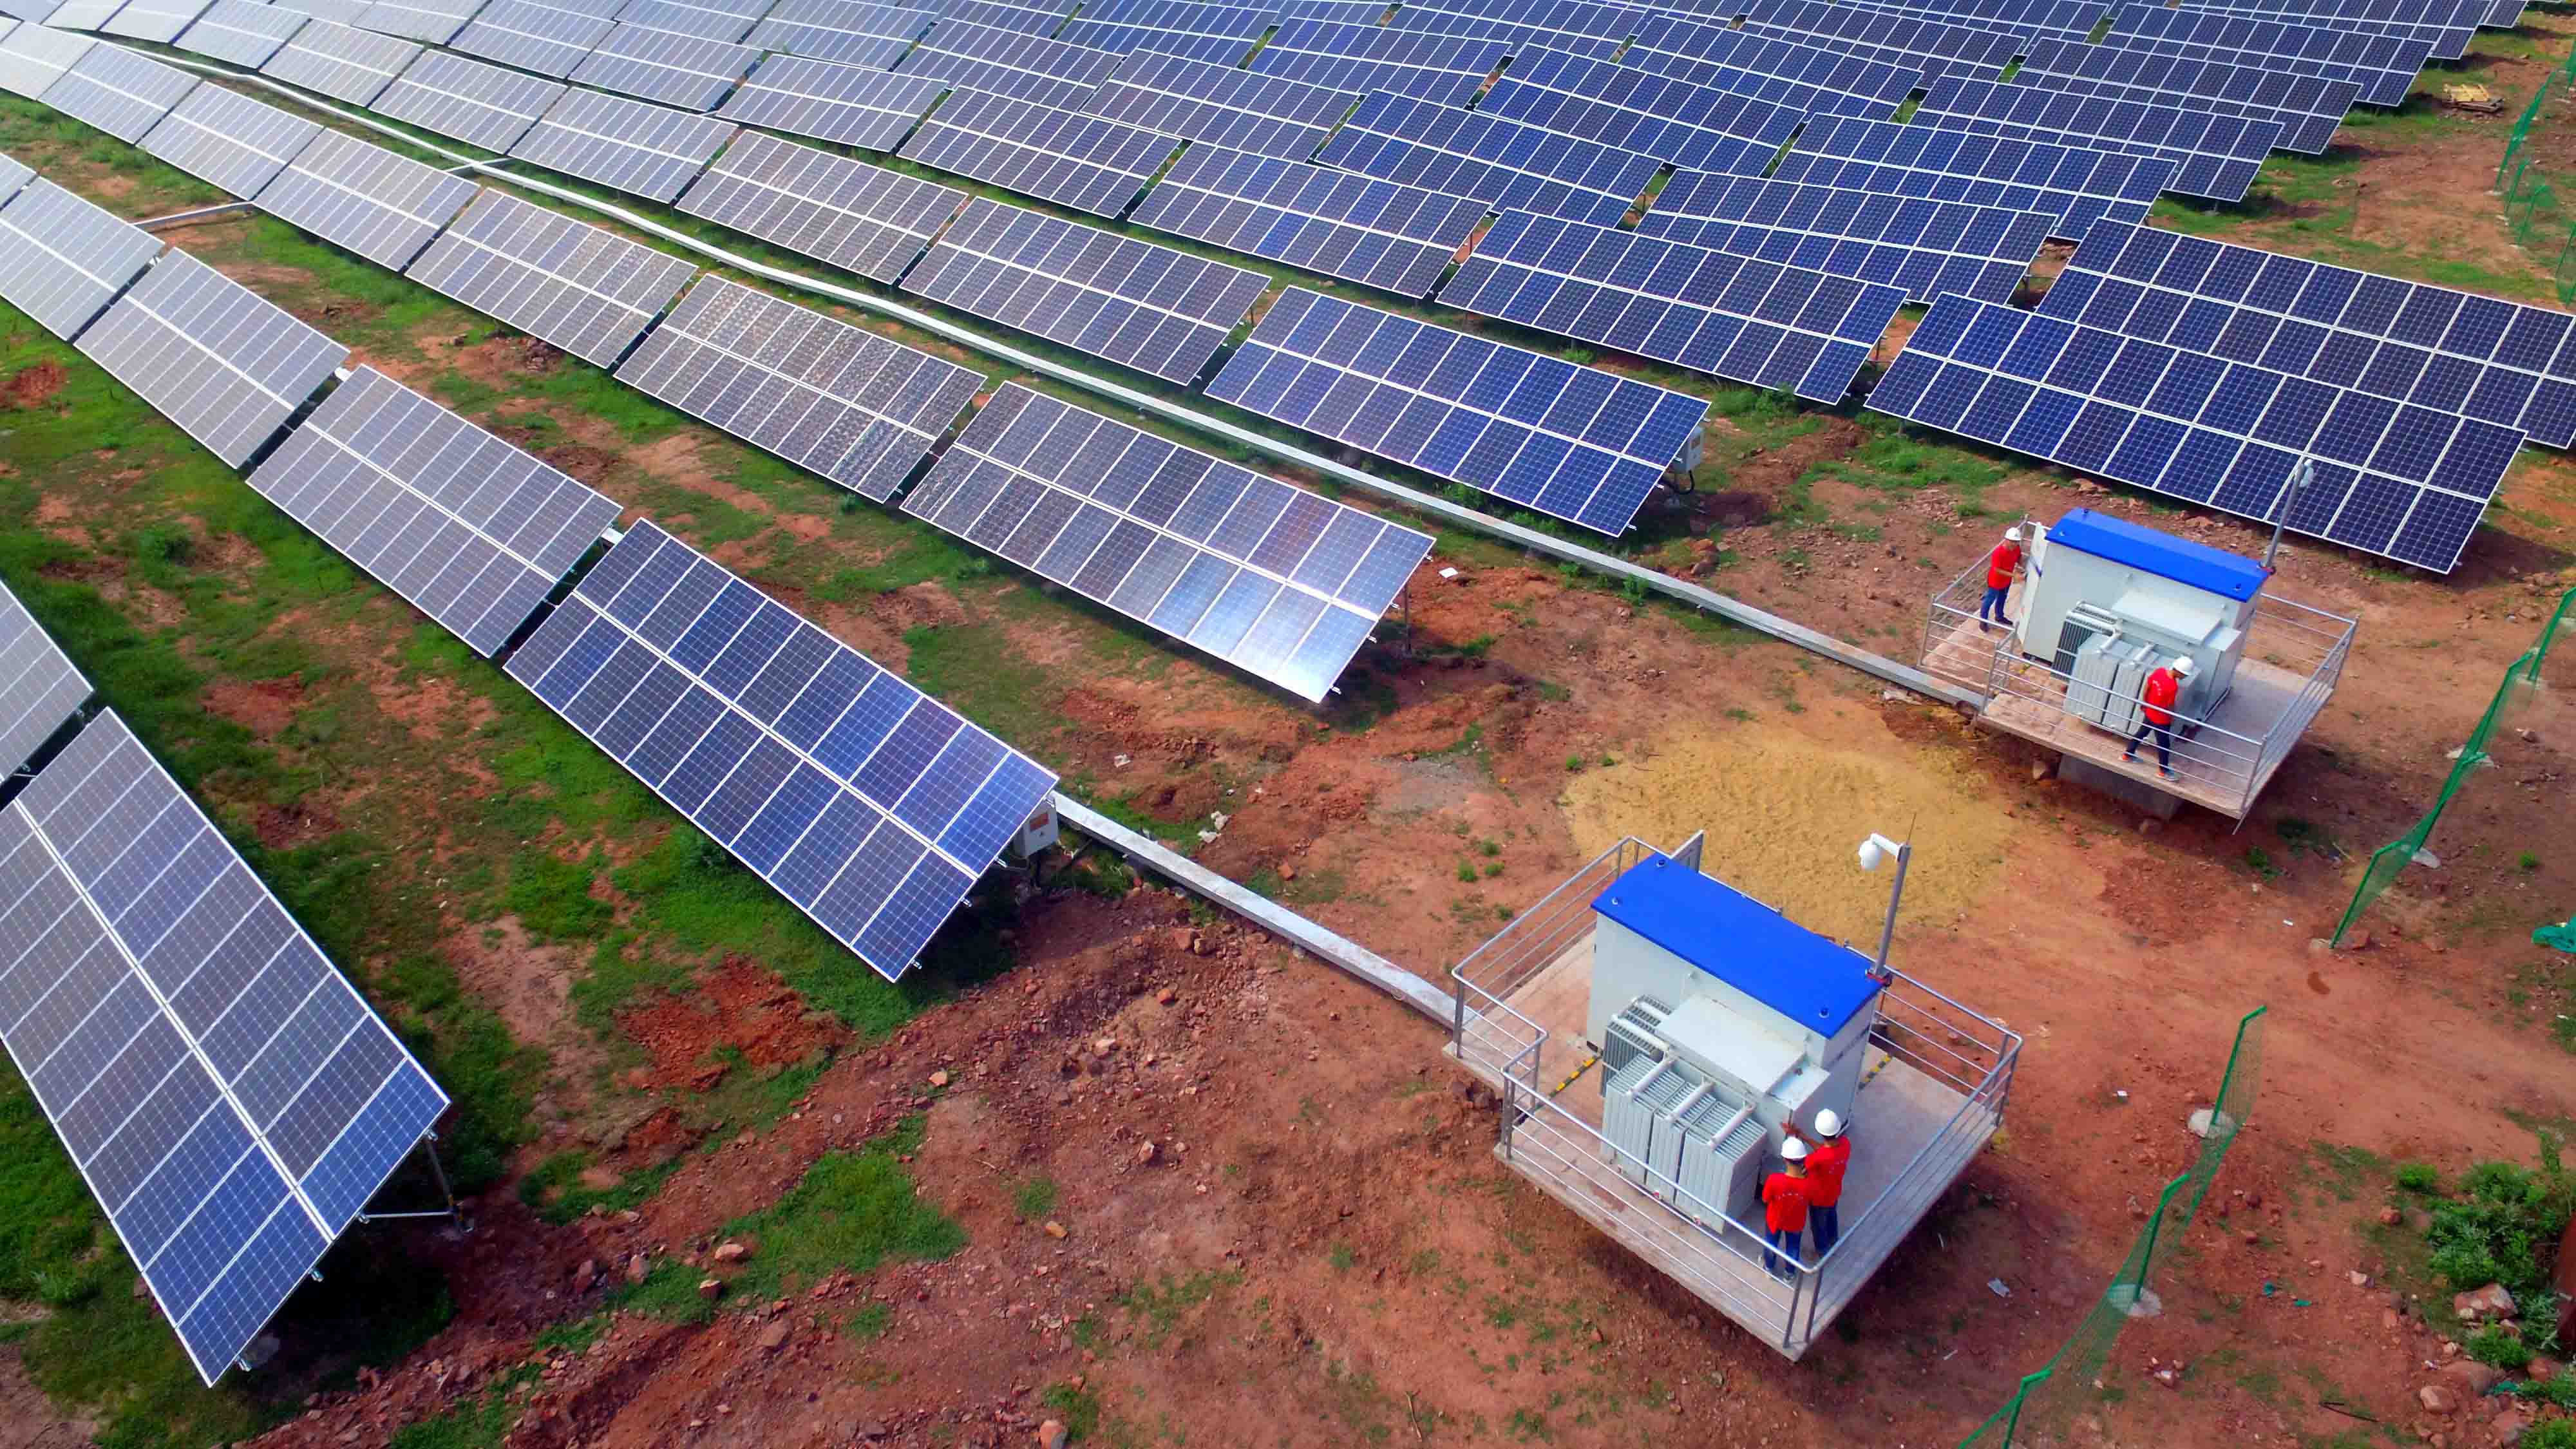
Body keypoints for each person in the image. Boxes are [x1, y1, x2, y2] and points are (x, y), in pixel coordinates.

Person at [2122, 655, 2193, 782]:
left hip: (2149, 712)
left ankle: (2128, 755)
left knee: (2141, 733)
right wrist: (2173, 717)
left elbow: (2147, 688)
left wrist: (2145, 703)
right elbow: (2170, 706)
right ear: (2178, 671)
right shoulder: (2172, 686)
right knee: (2164, 745)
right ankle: (2163, 771)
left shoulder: (2159, 671)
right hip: (2161, 719)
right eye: (2185, 674)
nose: (2185, 677)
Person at [1799, 1109, 1851, 1258]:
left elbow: (1801, 1170)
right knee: (1831, 1216)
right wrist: (1804, 1137)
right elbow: (1825, 1150)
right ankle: (1834, 1240)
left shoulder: (1816, 1159)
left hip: (1818, 1199)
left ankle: (1822, 1251)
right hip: (1834, 1193)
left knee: (1818, 1226)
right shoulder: (1845, 1145)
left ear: (1820, 1133)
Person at [1761, 1139, 1811, 1282]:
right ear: (1803, 1159)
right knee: (1793, 1247)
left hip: (1775, 1220)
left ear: (1785, 1159)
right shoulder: (1809, 1183)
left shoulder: (1774, 1180)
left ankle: (1769, 1268)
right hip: (1796, 1223)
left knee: (1771, 1244)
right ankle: (1789, 1273)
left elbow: (1765, 1199)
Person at [1978, 526, 2025, 630]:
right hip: (1995, 582)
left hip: (2006, 581)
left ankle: (1999, 616)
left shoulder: (2016, 548)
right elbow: (1997, 570)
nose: (2014, 544)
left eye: (2016, 542)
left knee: (2002, 599)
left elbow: (2019, 556)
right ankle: (1983, 621)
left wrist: (2020, 565)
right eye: (2012, 541)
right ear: (2006, 540)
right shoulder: (1998, 553)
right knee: (1989, 601)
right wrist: (2014, 575)